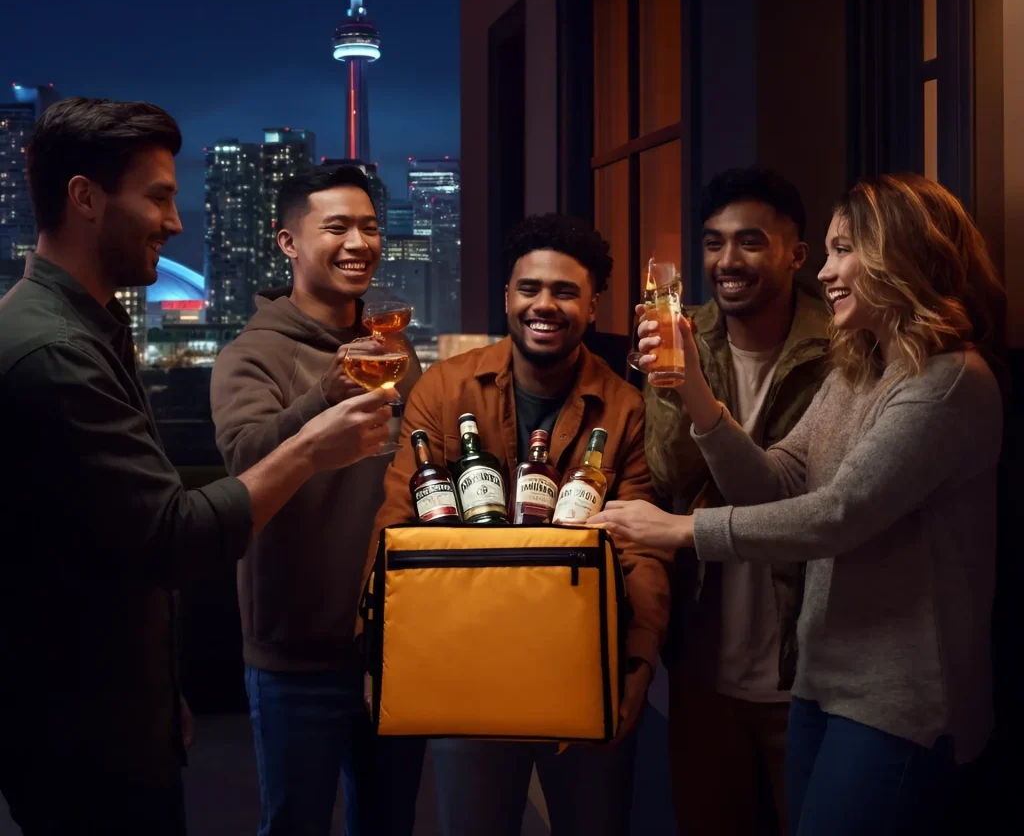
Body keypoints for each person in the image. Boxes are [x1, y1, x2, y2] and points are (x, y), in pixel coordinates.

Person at [0, 98, 392, 836]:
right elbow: (172, 533)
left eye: (370, 226)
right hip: (80, 734)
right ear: (85, 197)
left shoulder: (87, 329)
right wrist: (312, 442)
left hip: (114, 712)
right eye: (158, 197)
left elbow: (113, 542)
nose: (176, 223)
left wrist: (156, 689)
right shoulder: (53, 353)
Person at [592, 174, 1006, 836]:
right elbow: (779, 479)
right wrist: (694, 386)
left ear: (900, 254)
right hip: (823, 682)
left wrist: (680, 530)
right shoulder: (860, 368)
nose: (827, 271)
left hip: (900, 701)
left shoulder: (950, 380)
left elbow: (836, 515)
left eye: (844, 250)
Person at [364, 213, 672, 836]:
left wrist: (637, 663)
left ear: (591, 306)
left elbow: (641, 549)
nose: (545, 305)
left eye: (565, 292)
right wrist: (379, 650)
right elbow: (397, 520)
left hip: (585, 658)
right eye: (529, 288)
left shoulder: (627, 407)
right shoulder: (446, 388)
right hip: (466, 657)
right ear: (507, 296)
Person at [210, 164, 423, 836]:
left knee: (390, 823)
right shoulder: (250, 354)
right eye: (337, 226)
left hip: (394, 646)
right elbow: (245, 467)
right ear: (287, 243)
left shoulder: (397, 352)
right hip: (295, 654)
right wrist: (321, 397)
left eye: (369, 227)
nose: (359, 241)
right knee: (295, 824)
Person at [642, 167, 830, 836]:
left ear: (796, 253)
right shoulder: (675, 334)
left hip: (810, 668)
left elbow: (817, 498)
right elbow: (667, 473)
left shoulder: (840, 345)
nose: (727, 261)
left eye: (750, 242)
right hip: (704, 667)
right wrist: (677, 383)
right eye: (714, 243)